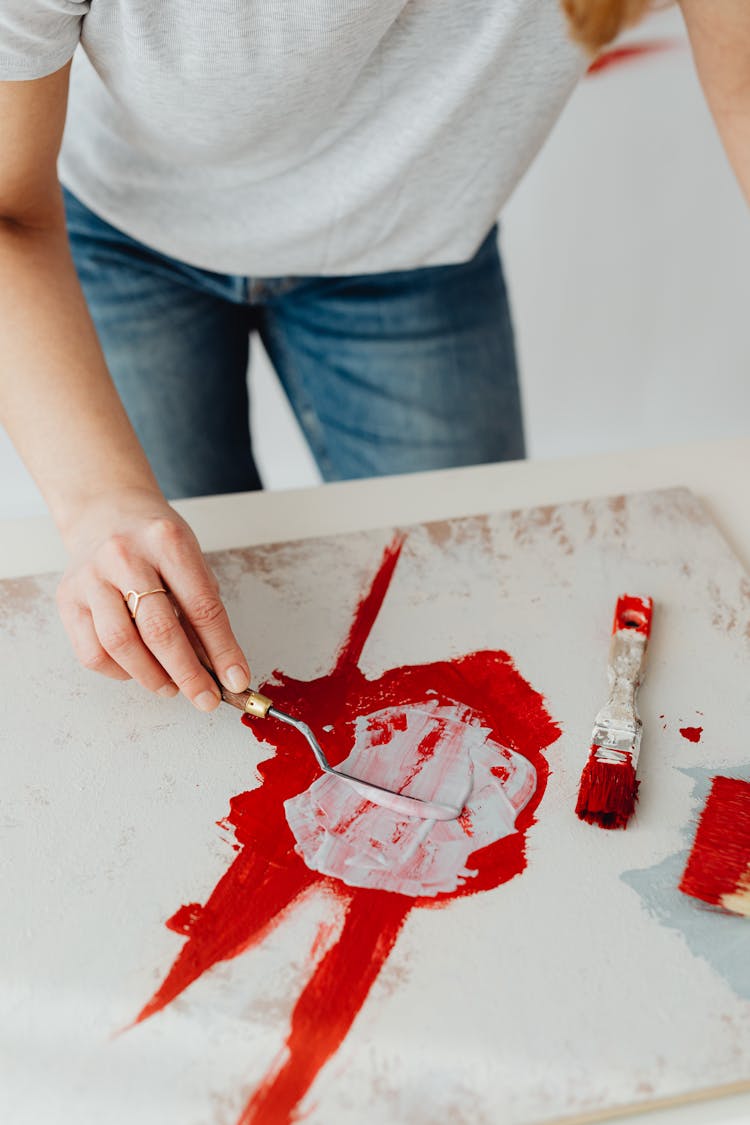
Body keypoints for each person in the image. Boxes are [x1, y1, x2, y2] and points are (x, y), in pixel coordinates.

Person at [0, 1, 747, 713]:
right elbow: (7, 210)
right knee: (180, 612)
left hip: (417, 243)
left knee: (472, 620)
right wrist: (102, 503)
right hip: (118, 240)